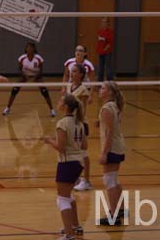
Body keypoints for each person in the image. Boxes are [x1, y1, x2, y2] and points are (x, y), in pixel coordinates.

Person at [44, 94, 87, 240]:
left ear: (66, 107)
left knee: (62, 199)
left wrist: (50, 141)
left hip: (67, 163)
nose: (58, 102)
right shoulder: (79, 122)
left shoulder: (62, 123)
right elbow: (84, 145)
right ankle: (75, 226)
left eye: (60, 101)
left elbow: (61, 148)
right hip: (78, 163)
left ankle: (69, 235)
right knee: (68, 195)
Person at [96, 81, 126, 225]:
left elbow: (109, 132)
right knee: (113, 179)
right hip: (118, 145)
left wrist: (104, 153)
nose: (99, 90)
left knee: (109, 180)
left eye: (102, 88)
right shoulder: (113, 106)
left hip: (112, 147)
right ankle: (121, 210)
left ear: (109, 92)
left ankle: (114, 216)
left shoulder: (107, 108)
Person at [2, 42, 56, 117]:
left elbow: (41, 71)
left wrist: (35, 77)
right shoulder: (22, 58)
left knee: (44, 90)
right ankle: (7, 108)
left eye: (31, 47)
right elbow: (19, 69)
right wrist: (24, 76)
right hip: (25, 75)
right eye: (27, 47)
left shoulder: (38, 58)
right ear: (26, 49)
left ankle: (52, 110)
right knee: (14, 89)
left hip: (36, 76)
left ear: (34, 49)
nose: (29, 49)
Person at [65, 64, 92, 191]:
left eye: (75, 71)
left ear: (81, 74)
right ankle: (77, 178)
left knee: (83, 153)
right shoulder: (68, 87)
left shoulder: (83, 90)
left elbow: (83, 110)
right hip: (70, 123)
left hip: (80, 124)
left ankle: (87, 181)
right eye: (71, 71)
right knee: (71, 151)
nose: (72, 73)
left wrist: (77, 123)